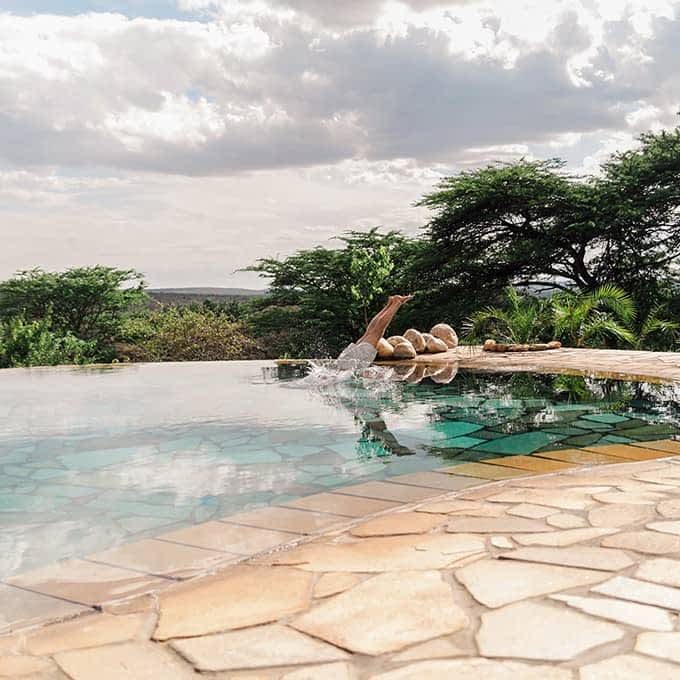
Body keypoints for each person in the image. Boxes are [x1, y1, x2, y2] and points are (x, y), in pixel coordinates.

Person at [336, 294, 413, 370]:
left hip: (349, 365)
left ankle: (396, 303)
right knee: (370, 331)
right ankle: (390, 304)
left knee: (377, 331)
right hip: (342, 361)